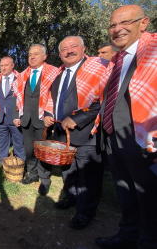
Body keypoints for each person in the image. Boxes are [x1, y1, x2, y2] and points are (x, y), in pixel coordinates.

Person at [95, 5, 157, 249]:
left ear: (144, 23)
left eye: (125, 23)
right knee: (125, 191)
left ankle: (148, 241)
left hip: (142, 140)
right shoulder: (117, 61)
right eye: (112, 25)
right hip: (114, 138)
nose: (117, 29)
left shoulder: (151, 54)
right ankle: (127, 234)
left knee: (148, 196)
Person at [44, 36, 108, 229]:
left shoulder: (98, 69)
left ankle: (85, 213)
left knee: (89, 177)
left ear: (83, 49)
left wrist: (78, 118)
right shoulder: (58, 75)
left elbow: (103, 100)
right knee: (68, 171)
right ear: (60, 53)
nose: (69, 50)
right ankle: (71, 198)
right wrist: (47, 114)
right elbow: (51, 101)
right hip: (63, 136)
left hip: (87, 134)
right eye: (64, 48)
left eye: (74, 46)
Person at [12, 45, 59, 195]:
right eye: (30, 54)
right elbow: (16, 96)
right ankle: (32, 174)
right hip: (26, 118)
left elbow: (55, 96)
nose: (32, 57)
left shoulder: (53, 72)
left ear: (44, 56)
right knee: (29, 149)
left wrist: (49, 114)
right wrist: (16, 115)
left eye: (36, 54)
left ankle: (45, 179)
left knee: (43, 150)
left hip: (43, 119)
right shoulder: (22, 75)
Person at [0, 56, 26, 166]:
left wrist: (19, 116)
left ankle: (21, 164)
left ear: (12, 65)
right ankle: (3, 164)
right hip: (0, 117)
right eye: (1, 65)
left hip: (15, 118)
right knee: (2, 142)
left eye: (6, 65)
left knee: (19, 143)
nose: (3, 68)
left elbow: (22, 99)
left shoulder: (20, 79)